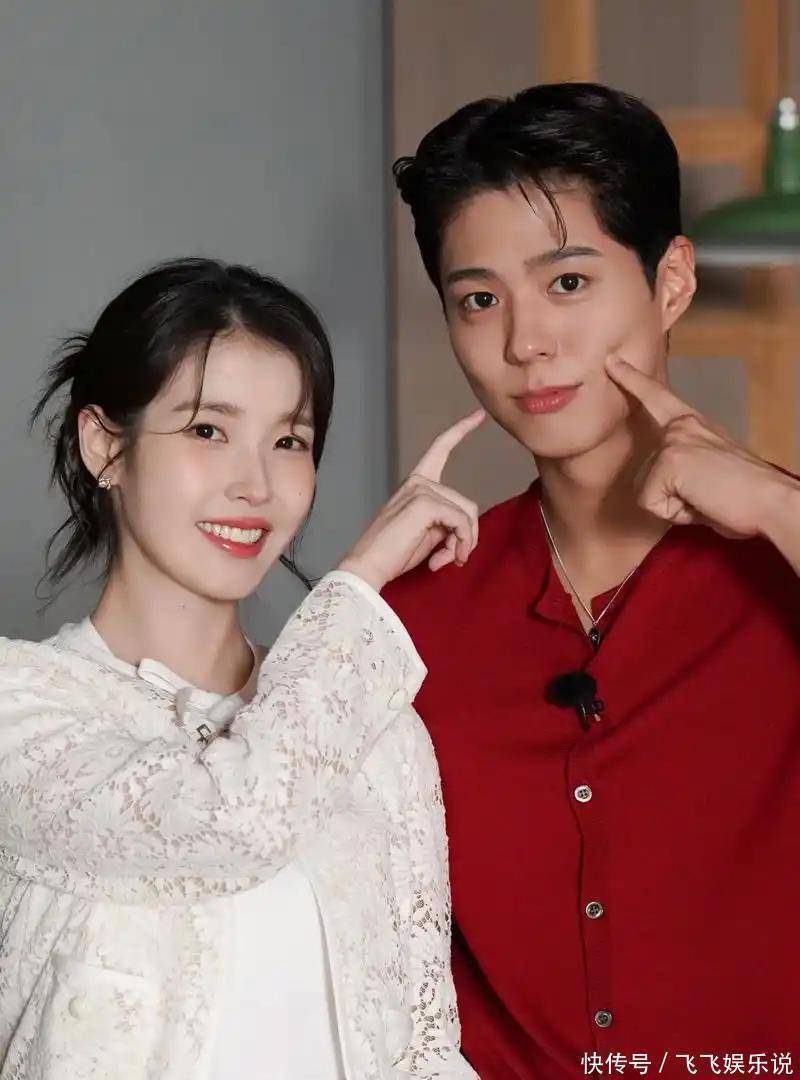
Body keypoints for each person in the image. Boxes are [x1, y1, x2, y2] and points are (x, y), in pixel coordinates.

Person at [384, 83, 800, 1078]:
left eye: (566, 282)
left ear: (670, 283)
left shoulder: (780, 557)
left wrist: (777, 505)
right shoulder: (412, 613)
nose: (524, 343)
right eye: (478, 300)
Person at [0, 257, 484, 1080]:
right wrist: (359, 582)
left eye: (289, 441)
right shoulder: (24, 709)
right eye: (207, 431)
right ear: (104, 445)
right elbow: (236, 819)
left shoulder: (372, 729)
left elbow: (424, 1047)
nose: (255, 485)